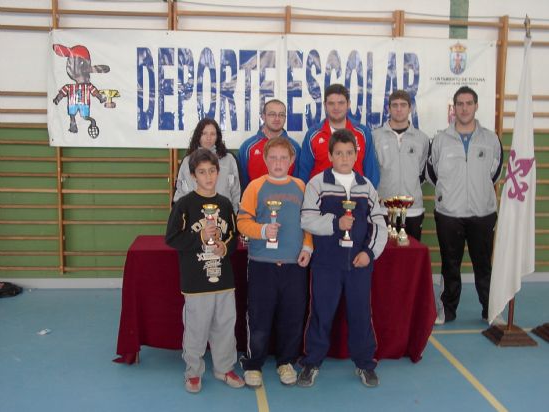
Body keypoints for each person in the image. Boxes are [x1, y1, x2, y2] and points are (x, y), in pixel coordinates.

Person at [298, 129, 387, 388]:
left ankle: (365, 364)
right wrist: (336, 223)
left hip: (358, 264)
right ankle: (311, 362)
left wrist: (369, 253)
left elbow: (378, 223)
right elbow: (307, 219)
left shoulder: (366, 186)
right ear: (330, 155)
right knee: (321, 314)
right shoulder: (317, 183)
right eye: (339, 153)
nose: (344, 158)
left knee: (360, 314)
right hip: (326, 264)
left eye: (350, 153)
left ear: (357, 155)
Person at [165, 148, 245, 393]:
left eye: (212, 171)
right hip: (196, 281)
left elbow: (233, 237)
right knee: (196, 328)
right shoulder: (184, 204)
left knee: (225, 326)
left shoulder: (224, 204)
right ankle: (193, 371)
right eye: (202, 172)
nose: (208, 176)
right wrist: (198, 236)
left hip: (223, 279)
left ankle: (224, 367)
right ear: (193, 175)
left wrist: (224, 247)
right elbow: (172, 238)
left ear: (218, 173)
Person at [237, 136, 312, 387]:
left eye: (283, 158)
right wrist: (261, 231)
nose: (278, 162)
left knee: (292, 315)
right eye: (273, 158)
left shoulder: (301, 186)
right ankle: (253, 363)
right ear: (265, 160)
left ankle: (286, 362)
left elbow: (308, 221)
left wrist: (308, 247)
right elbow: (242, 222)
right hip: (262, 263)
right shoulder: (255, 187)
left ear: (291, 160)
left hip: (294, 264)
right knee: (259, 315)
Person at [426, 86, 503, 325]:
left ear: (476, 106)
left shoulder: (491, 139)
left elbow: (495, 173)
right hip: (449, 214)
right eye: (460, 104)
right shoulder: (440, 140)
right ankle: (447, 311)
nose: (465, 108)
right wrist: (451, 195)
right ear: (454, 108)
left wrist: (476, 192)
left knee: (484, 266)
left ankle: (490, 310)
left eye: (469, 103)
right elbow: (432, 173)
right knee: (450, 265)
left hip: (483, 213)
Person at [373, 90, 430, 241]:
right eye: (395, 105)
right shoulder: (375, 137)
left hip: (412, 210)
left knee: (410, 256)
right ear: (388, 108)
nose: (399, 109)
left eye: (403, 105)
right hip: (384, 209)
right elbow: (371, 171)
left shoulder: (422, 139)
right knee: (385, 259)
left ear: (410, 108)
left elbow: (422, 172)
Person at [298, 83, 380, 187]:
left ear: (348, 104)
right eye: (331, 103)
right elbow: (303, 175)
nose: (336, 107)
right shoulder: (312, 135)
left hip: (356, 199)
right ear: (325, 105)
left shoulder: (362, 133)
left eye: (341, 103)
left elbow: (371, 172)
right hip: (321, 200)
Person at [173, 118, 241, 212]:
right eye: (204, 133)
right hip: (195, 215)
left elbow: (236, 191)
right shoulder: (187, 161)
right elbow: (180, 192)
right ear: (198, 136)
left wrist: (234, 214)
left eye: (212, 134)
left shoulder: (229, 159)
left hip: (223, 214)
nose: (208, 138)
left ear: (217, 136)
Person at [238, 99, 301, 188]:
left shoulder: (294, 147)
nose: (277, 119)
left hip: (286, 200)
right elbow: (242, 182)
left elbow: (297, 181)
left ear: (285, 118)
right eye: (272, 114)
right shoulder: (247, 147)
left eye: (281, 115)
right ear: (263, 116)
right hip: (255, 200)